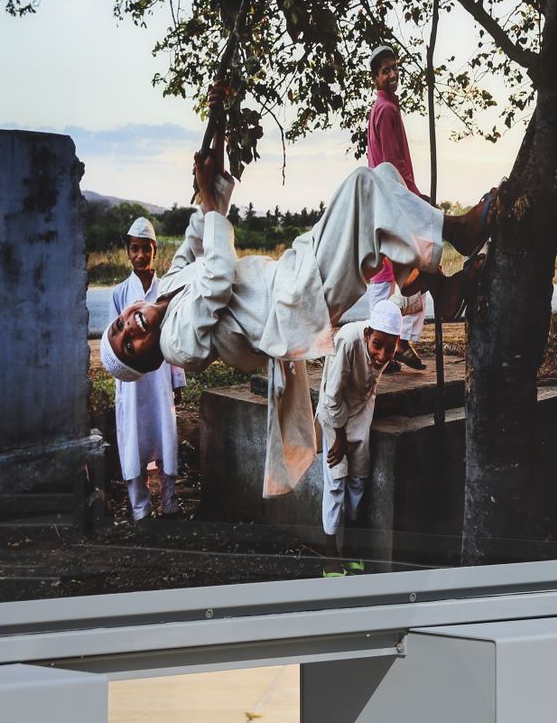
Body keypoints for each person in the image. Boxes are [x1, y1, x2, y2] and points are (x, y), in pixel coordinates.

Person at [99, 132, 493, 497]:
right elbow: (217, 276)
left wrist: (215, 147)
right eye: (130, 346)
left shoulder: (167, 285)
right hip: (297, 303)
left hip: (292, 273)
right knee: (364, 186)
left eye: (119, 327)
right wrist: (207, 195)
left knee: (384, 175)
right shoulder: (177, 345)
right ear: (148, 361)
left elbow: (201, 229)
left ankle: (434, 285)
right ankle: (457, 232)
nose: (130, 329)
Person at [316, 299, 402, 574]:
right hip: (335, 412)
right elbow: (332, 396)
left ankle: (352, 547)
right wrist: (339, 437)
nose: (382, 355)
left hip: (362, 411)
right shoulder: (347, 340)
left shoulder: (385, 348)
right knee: (336, 480)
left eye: (390, 348)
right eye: (377, 345)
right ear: (367, 334)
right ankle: (331, 554)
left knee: (358, 481)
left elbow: (369, 382)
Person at [109, 216, 185, 521]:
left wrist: (177, 381)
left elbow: (175, 337)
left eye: (146, 249)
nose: (140, 255)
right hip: (131, 382)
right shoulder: (119, 294)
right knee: (133, 437)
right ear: (128, 252)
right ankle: (140, 508)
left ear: (156, 250)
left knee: (166, 434)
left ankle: (170, 502)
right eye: (135, 249)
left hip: (160, 378)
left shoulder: (165, 291)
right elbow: (113, 341)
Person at [364, 44, 428, 373]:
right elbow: (392, 163)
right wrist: (415, 198)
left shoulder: (382, 108)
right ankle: (395, 342)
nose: (392, 74)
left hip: (382, 200)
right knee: (416, 269)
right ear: (376, 78)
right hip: (394, 200)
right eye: (385, 70)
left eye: (395, 68)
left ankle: (390, 342)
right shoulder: (386, 110)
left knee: (385, 275)